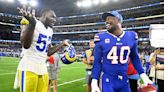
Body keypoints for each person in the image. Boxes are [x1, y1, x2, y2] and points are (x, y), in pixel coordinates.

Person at [91, 11, 153, 92]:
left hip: (124, 80)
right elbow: (97, 62)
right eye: (105, 20)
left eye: (109, 18)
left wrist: (143, 75)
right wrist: (94, 81)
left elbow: (135, 58)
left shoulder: (131, 36)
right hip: (108, 80)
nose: (106, 21)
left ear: (118, 20)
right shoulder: (100, 37)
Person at [17, 7, 69, 92]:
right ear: (44, 15)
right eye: (52, 17)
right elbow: (25, 45)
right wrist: (32, 25)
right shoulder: (33, 22)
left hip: (43, 69)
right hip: (29, 67)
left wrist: (62, 44)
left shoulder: (50, 31)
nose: (54, 20)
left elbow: (48, 52)